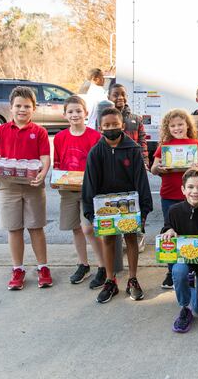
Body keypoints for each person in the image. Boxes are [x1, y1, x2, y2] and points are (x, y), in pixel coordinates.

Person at [82, 107, 154, 304]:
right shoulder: (96, 153)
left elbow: (141, 181)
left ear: (122, 125)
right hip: (105, 207)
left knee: (131, 238)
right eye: (106, 125)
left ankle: (132, 279)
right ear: (100, 127)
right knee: (108, 240)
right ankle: (110, 280)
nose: (111, 128)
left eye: (115, 124)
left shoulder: (132, 150)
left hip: (129, 206)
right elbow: (89, 183)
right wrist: (90, 212)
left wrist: (144, 209)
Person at [0, 86, 52, 290]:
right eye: (18, 106)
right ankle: (18, 268)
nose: (22, 110)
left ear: (34, 108)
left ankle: (43, 267)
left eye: (27, 106)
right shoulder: (0, 130)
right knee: (14, 228)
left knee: (36, 227)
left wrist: (42, 173)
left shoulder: (39, 131)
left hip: (32, 184)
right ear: (11, 108)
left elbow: (45, 158)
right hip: (8, 186)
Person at [151, 109, 198, 289]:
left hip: (194, 197)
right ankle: (172, 271)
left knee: (195, 231)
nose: (177, 128)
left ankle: (195, 267)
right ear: (167, 128)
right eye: (173, 125)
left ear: (187, 125)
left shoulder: (196, 145)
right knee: (170, 232)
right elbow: (153, 169)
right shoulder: (164, 145)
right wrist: (160, 168)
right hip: (170, 195)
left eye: (180, 124)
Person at [52, 96, 105, 287]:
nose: (75, 115)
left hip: (89, 189)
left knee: (88, 228)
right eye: (71, 111)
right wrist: (56, 180)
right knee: (76, 229)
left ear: (86, 113)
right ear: (65, 114)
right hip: (67, 189)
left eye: (78, 111)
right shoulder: (59, 137)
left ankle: (103, 266)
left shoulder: (94, 137)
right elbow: (57, 162)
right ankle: (83, 264)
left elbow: (100, 164)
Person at [159, 167, 198, 333]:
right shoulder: (174, 211)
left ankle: (192, 283)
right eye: (190, 187)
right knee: (178, 271)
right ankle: (185, 307)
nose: (195, 191)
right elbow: (167, 227)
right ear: (183, 190)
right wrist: (167, 230)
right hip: (183, 260)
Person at [108, 83, 150, 254]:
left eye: (123, 94)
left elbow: (142, 141)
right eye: (115, 94)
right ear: (109, 97)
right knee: (119, 199)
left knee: (138, 199)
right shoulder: (105, 118)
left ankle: (139, 232)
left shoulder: (135, 118)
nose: (120, 97)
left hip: (134, 167)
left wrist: (145, 160)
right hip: (114, 168)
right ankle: (120, 233)